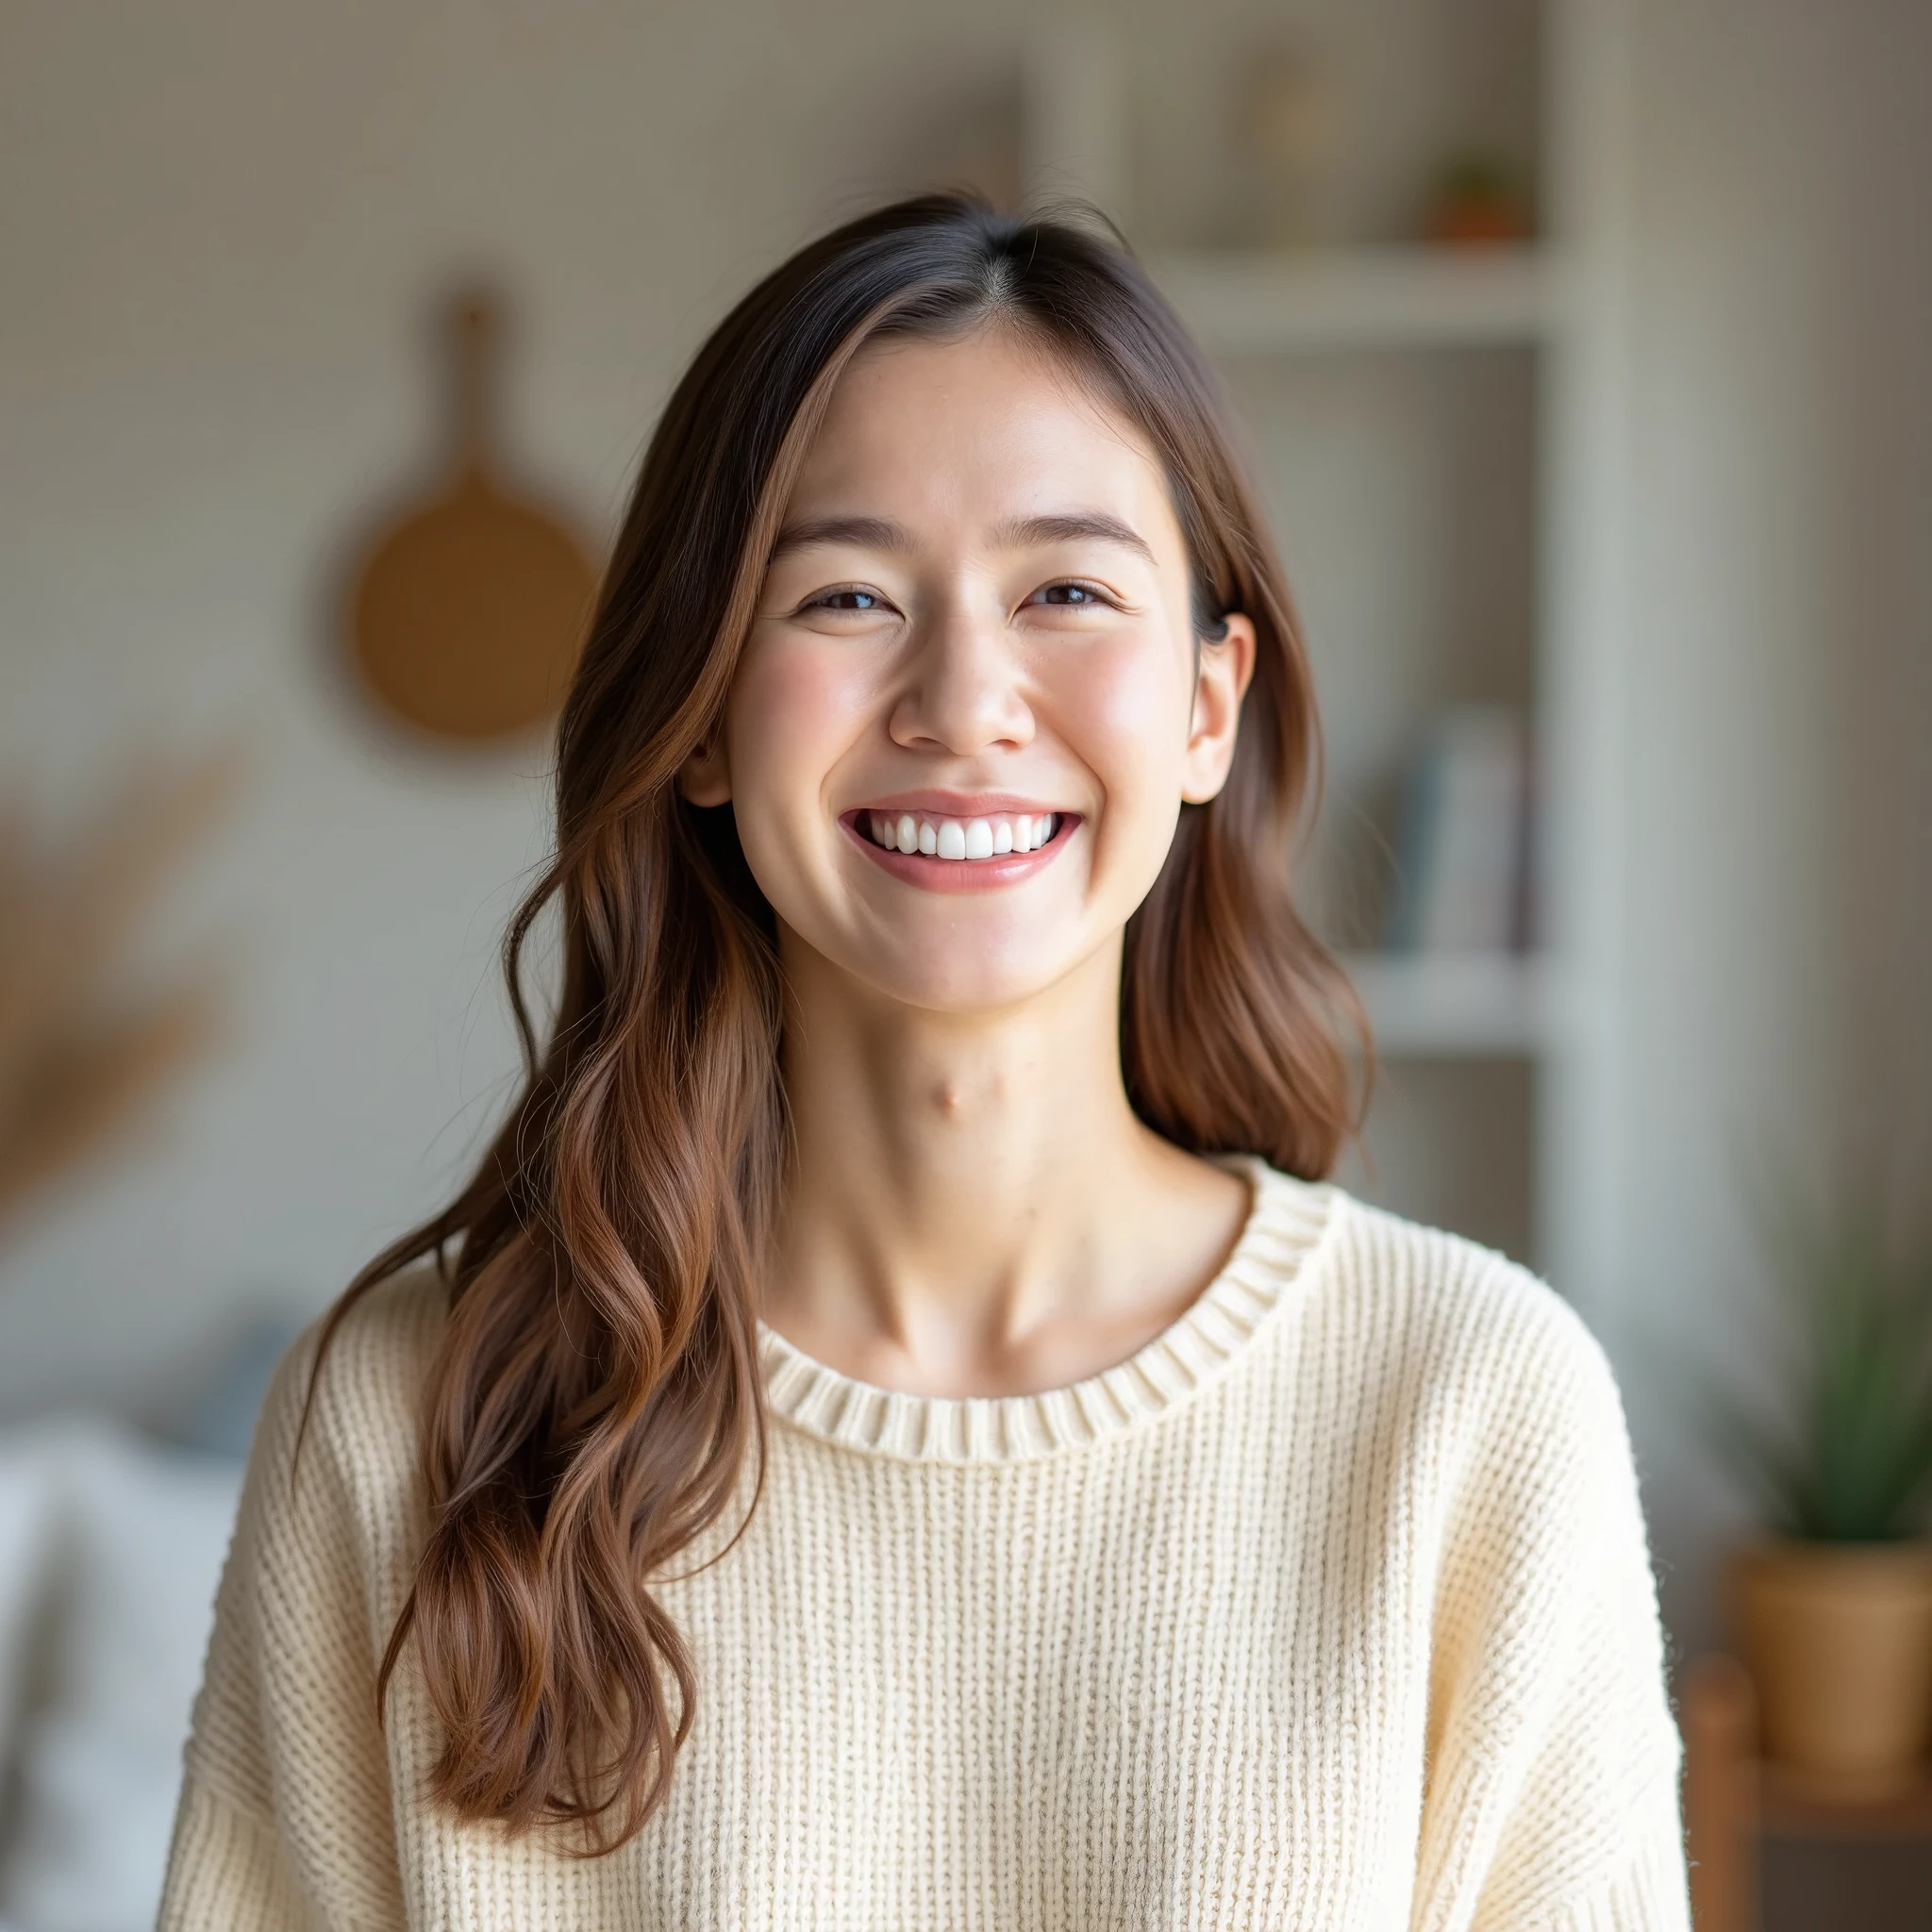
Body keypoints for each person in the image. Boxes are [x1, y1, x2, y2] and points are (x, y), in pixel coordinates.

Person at [159, 195, 1689, 1929]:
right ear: (709, 716)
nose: (965, 701)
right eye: (849, 594)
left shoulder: (1471, 1412)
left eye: (1066, 590)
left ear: (1206, 709)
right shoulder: (405, 1419)